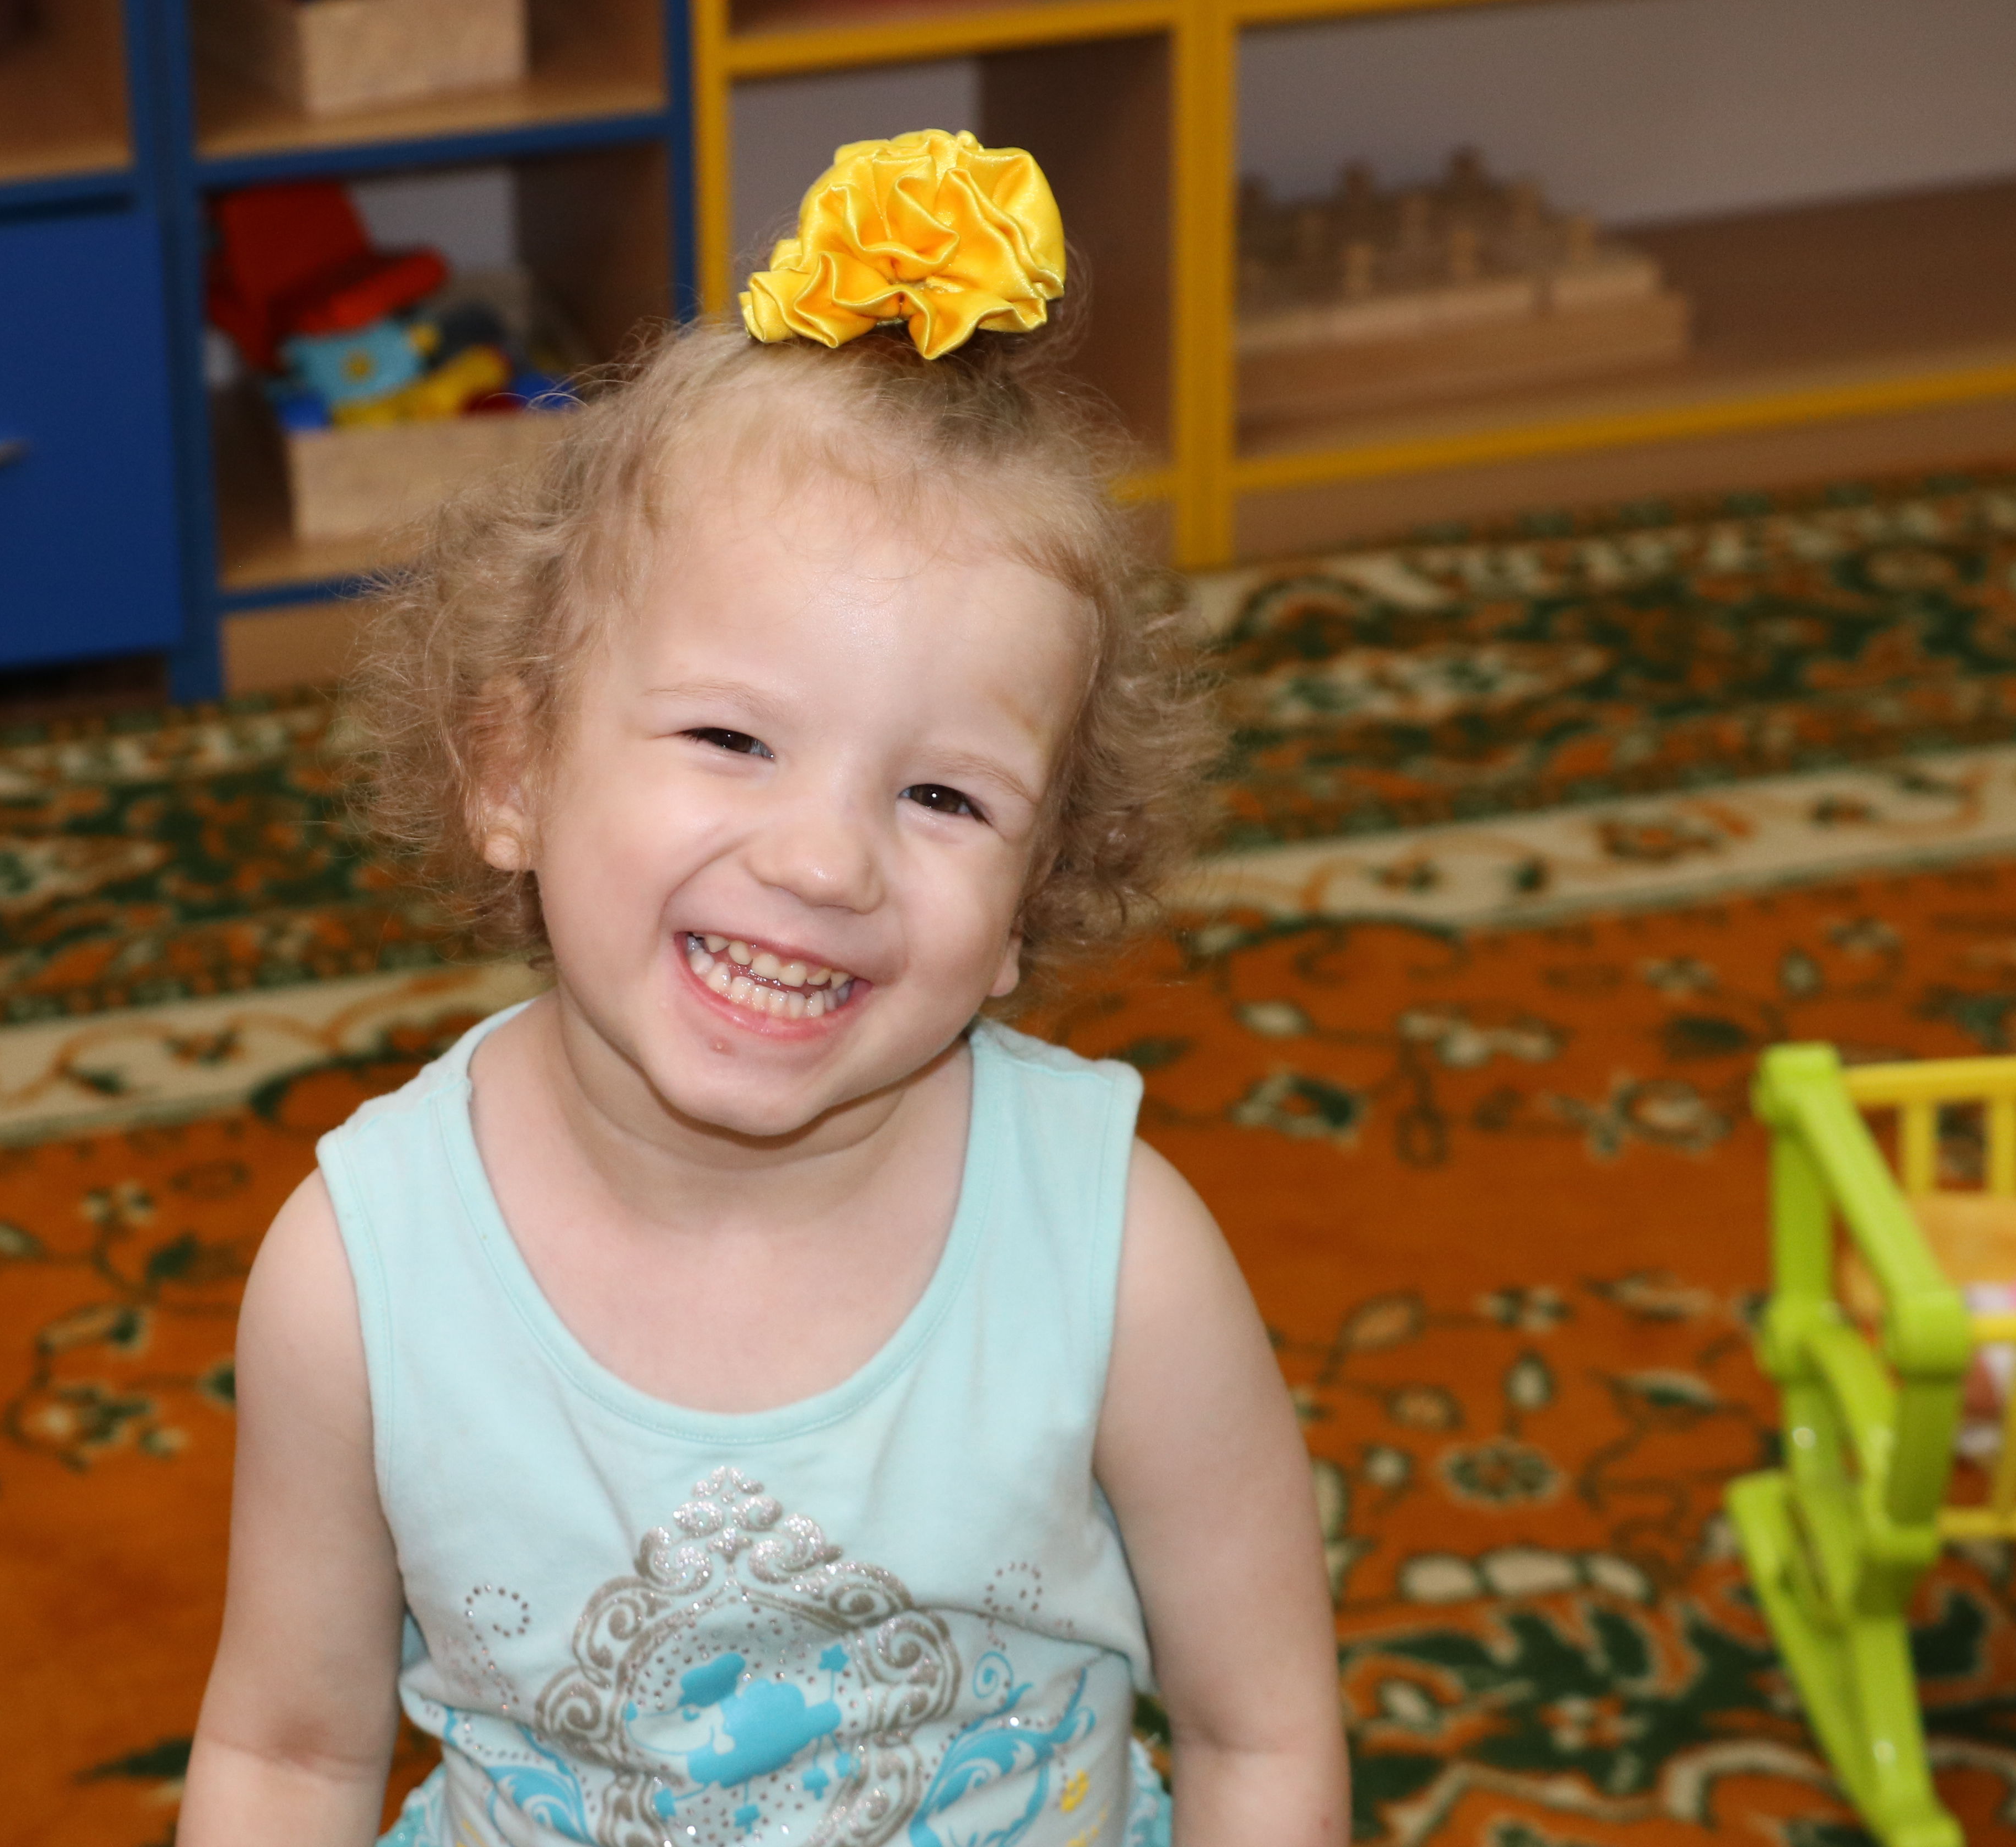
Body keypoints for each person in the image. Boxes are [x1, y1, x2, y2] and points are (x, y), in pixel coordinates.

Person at [181, 131, 1347, 1847]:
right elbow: (289, 1757)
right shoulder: (359, 1276)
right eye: (734, 738)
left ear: (1030, 902)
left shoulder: (1118, 1256)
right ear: (513, 768)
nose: (823, 862)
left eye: (943, 797)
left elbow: (1264, 1732)